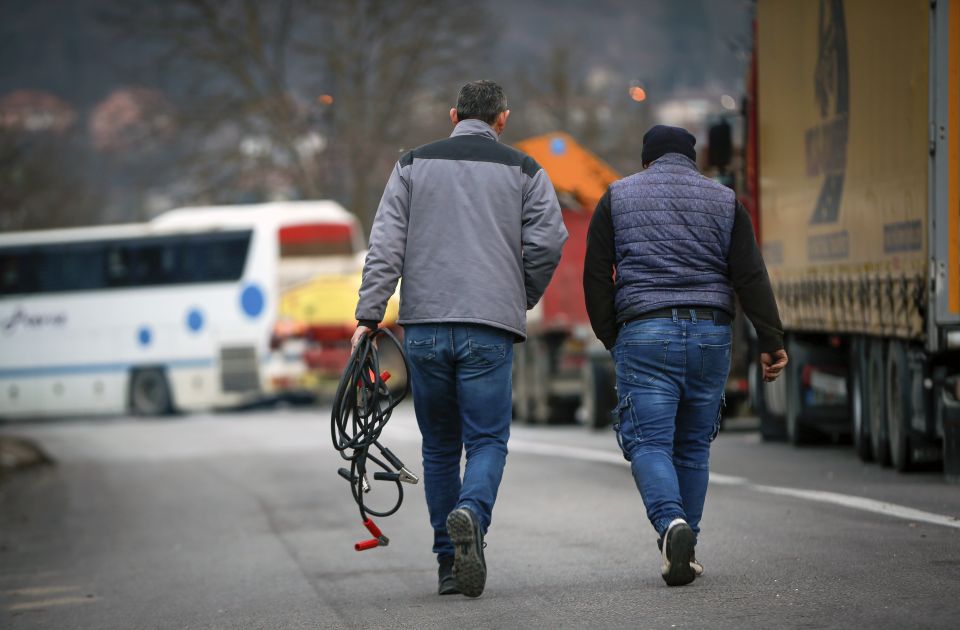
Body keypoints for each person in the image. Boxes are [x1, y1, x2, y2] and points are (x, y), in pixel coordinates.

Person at [352, 80, 567, 598]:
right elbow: (549, 239)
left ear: (452, 115)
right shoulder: (524, 169)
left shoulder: (410, 166)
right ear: (503, 119)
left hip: (425, 328)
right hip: (488, 326)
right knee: (488, 439)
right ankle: (471, 512)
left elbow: (385, 245)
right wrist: (521, 295)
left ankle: (449, 565)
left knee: (441, 446)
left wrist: (369, 315)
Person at [583, 124, 787, 587]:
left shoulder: (617, 197)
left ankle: (672, 526)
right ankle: (686, 543)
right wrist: (772, 341)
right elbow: (751, 276)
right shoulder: (724, 200)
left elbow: (596, 276)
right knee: (693, 445)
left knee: (649, 443)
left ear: (646, 160)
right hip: (711, 335)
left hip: (645, 330)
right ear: (693, 160)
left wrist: (614, 338)